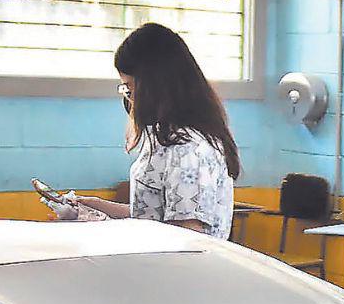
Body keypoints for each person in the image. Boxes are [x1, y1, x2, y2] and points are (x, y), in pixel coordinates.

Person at [49, 23, 238, 240]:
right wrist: (94, 208)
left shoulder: (188, 150)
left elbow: (187, 239)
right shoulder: (167, 138)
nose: (129, 99)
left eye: (130, 88)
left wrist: (101, 229)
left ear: (155, 85)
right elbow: (150, 218)